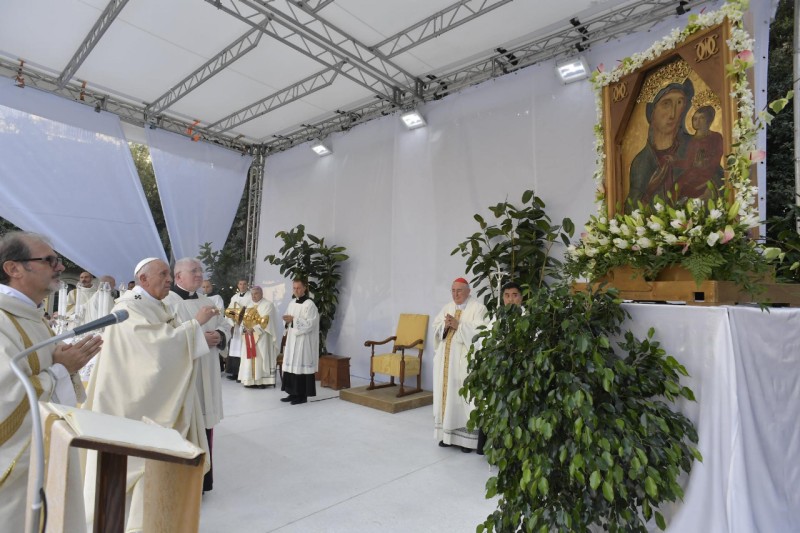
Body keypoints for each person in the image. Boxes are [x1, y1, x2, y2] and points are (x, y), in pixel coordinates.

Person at [83, 257, 218, 532]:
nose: (169, 279)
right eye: (163, 274)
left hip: (149, 401)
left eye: (170, 273)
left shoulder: (155, 304)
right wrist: (196, 325)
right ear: (143, 279)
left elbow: (165, 340)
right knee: (139, 473)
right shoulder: (128, 309)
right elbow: (156, 352)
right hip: (132, 407)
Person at [0, 231, 102, 532]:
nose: (60, 267)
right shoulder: (3, 320)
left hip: (45, 449)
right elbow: (6, 397)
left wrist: (66, 366)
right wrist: (61, 369)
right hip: (16, 468)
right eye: (49, 260)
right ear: (14, 268)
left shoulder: (31, 316)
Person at [163, 258, 227, 493]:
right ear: (178, 276)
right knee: (186, 425)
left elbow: (225, 324)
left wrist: (220, 335)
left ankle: (203, 481)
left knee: (206, 425)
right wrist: (200, 338)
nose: (200, 275)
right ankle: (183, 486)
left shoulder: (208, 301)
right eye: (194, 271)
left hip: (208, 371)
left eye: (201, 271)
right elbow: (167, 339)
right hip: (185, 375)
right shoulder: (167, 303)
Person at [432, 277, 488, 453]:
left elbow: (482, 334)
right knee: (447, 397)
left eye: (459, 291)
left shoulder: (479, 308)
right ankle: (447, 436)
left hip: (465, 363)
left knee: (464, 399)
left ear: (468, 291)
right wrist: (444, 326)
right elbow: (436, 328)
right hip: (445, 363)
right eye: (453, 291)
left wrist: (459, 325)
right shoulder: (447, 308)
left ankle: (466, 441)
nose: (456, 295)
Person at [628, 60, 695, 207]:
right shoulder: (640, 162)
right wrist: (649, 191)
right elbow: (630, 210)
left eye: (679, 103)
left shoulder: (694, 146)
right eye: (666, 104)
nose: (673, 114)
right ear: (652, 111)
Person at [280, 278, 319, 405]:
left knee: (300, 367)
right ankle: (292, 393)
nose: (296, 290)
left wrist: (294, 320)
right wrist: (286, 320)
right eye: (294, 288)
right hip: (292, 339)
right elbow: (287, 319)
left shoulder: (309, 305)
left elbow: (311, 324)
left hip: (303, 341)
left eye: (298, 288)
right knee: (291, 366)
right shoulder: (292, 303)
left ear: (304, 288)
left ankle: (302, 396)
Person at [678, 105, 724, 198]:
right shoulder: (692, 141)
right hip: (693, 172)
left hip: (711, 172)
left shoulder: (716, 137)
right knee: (678, 187)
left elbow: (717, 157)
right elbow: (688, 162)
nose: (697, 121)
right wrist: (673, 162)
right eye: (695, 118)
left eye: (701, 118)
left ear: (709, 120)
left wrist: (704, 164)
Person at [238, 286, 280, 389]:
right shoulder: (249, 305)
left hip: (262, 337)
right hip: (248, 336)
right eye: (252, 294)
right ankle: (249, 381)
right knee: (248, 358)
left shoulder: (268, 305)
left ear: (261, 293)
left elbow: (266, 320)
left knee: (260, 357)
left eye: (256, 293)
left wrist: (254, 329)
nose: (253, 296)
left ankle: (262, 381)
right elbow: (243, 320)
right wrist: (245, 328)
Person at [225, 279, 253, 379]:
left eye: (244, 284)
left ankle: (242, 374)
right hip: (236, 326)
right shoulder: (234, 297)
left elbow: (252, 310)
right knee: (234, 349)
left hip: (244, 325)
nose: (242, 286)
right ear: (238, 285)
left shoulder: (250, 296)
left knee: (242, 349)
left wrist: (242, 316)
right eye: (240, 284)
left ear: (247, 285)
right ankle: (234, 373)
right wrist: (232, 322)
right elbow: (229, 311)